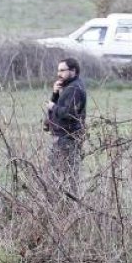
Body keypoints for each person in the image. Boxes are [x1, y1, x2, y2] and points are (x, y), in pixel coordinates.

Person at [45, 57, 88, 195]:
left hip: (67, 138)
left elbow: (68, 113)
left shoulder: (74, 89)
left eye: (63, 70)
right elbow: (58, 111)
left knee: (65, 174)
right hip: (63, 136)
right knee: (59, 173)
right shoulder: (68, 88)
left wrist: (53, 106)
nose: (59, 74)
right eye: (58, 70)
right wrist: (55, 94)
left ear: (73, 71)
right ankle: (61, 204)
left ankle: (67, 205)